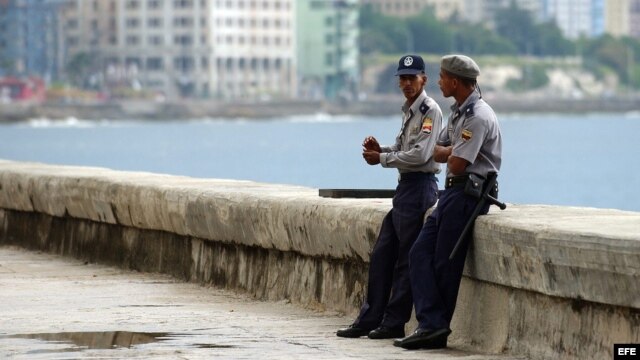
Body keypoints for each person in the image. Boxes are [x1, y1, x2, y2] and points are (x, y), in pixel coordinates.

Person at [394, 54, 503, 350]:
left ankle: (435, 328)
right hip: (451, 193)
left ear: (455, 81)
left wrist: (447, 151)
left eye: (442, 77)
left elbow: (454, 163)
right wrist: (449, 150)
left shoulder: (477, 116)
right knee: (419, 253)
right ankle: (431, 323)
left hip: (468, 194)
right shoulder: (458, 113)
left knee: (445, 262)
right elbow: (437, 150)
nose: (439, 81)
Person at [336, 54, 443, 340]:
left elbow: (421, 155)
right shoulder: (409, 110)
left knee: (406, 259)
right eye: (403, 78)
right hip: (405, 188)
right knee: (382, 254)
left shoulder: (430, 110)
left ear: (424, 79)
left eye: (412, 78)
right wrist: (380, 148)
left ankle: (394, 321)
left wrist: (381, 158)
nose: (406, 83)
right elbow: (401, 146)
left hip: (420, 187)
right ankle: (370, 318)